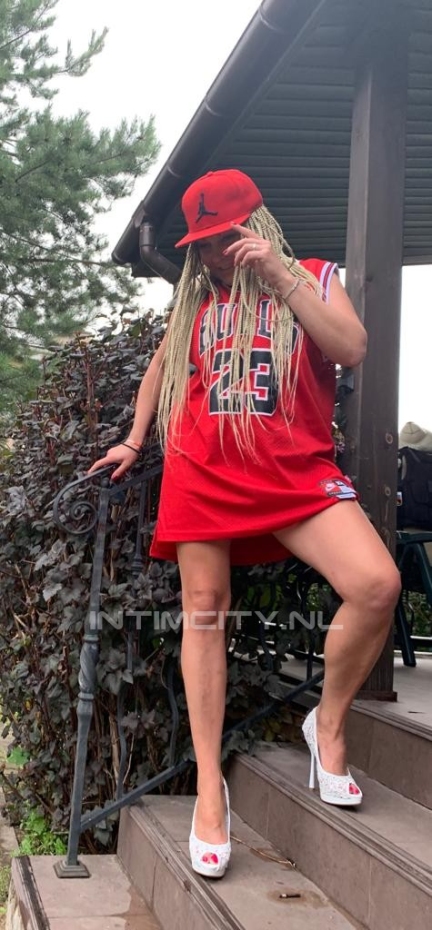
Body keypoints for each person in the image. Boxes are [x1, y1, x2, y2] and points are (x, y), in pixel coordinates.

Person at [89, 169, 401, 878]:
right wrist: (134, 440)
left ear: (254, 227)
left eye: (222, 238)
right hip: (202, 467)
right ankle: (209, 786)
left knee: (377, 584)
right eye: (201, 244)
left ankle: (327, 724)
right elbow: (161, 370)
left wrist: (281, 278)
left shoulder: (314, 275)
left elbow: (351, 348)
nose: (212, 254)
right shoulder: (197, 301)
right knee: (203, 611)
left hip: (294, 470)